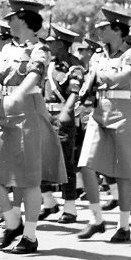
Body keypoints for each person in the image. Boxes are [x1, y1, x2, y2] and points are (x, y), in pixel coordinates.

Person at [0, 0, 67, 254]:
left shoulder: (40, 49)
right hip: (3, 112)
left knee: (28, 179)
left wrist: (17, 95)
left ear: (24, 20)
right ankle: (12, 221)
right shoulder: (6, 50)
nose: (9, 22)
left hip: (28, 110)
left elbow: (35, 74)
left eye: (13, 18)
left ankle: (29, 235)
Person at [76, 8, 131, 242]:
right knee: (86, 163)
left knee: (124, 172)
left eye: (103, 28)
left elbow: (124, 76)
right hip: (99, 111)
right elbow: (89, 80)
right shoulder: (98, 55)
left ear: (117, 29)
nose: (98, 31)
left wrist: (99, 77)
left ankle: (123, 226)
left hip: (123, 111)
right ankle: (96, 219)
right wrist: (83, 98)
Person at [39, 24, 85, 223]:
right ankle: (49, 202)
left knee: (66, 164)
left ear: (62, 44)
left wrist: (66, 113)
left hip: (63, 119)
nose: (48, 45)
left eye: (52, 42)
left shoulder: (74, 66)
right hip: (45, 118)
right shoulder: (49, 65)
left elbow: (75, 93)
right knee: (40, 161)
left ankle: (70, 208)